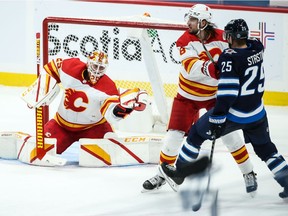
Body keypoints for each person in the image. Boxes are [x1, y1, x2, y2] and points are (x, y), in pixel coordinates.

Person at [161, 18, 288, 199]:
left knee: (196, 134)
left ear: (230, 36)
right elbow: (246, 49)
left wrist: (218, 117)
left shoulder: (230, 57)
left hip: (236, 114)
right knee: (267, 150)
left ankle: (179, 174)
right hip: (257, 112)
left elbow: (227, 93)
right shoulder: (257, 47)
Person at [142, 4, 257, 194]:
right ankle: (162, 176)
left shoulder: (223, 37)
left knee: (231, 137)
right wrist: (216, 69)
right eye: (189, 18)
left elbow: (243, 48)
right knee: (172, 138)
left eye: (193, 20)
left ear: (203, 22)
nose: (189, 23)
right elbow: (191, 67)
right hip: (187, 97)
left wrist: (248, 55)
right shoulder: (184, 40)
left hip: (214, 97)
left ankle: (248, 172)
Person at [43, 50, 147, 154]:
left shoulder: (108, 87)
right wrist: (40, 89)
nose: (97, 71)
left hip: (93, 128)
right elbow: (51, 69)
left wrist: (121, 109)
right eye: (95, 66)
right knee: (41, 151)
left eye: (101, 68)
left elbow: (110, 114)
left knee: (112, 153)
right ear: (88, 63)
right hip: (61, 126)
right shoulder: (71, 67)